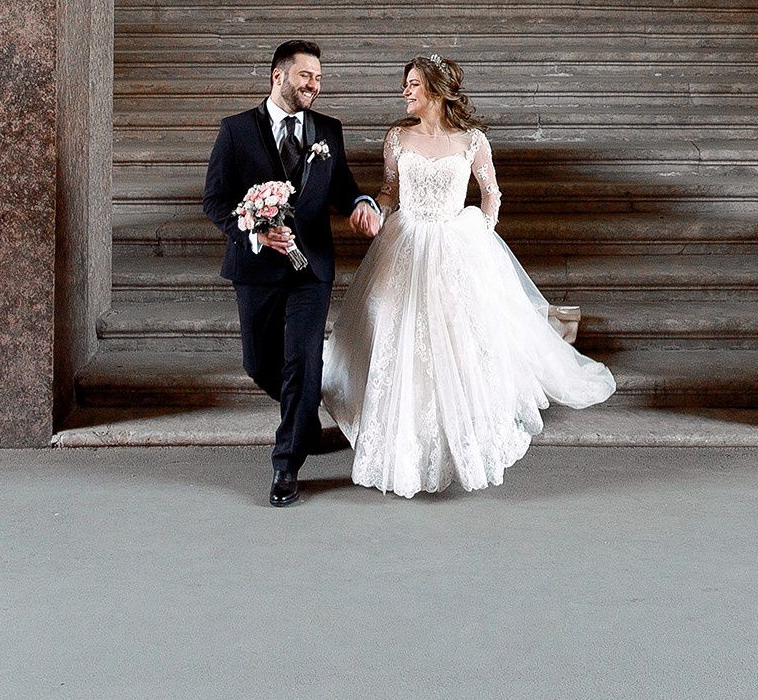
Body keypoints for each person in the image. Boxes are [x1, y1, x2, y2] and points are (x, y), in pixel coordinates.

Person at [322, 54, 615, 497]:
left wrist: (480, 232)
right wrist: (375, 211)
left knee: (458, 340)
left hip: (456, 245)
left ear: (437, 91)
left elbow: (491, 193)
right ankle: (403, 444)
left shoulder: (472, 140)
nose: (406, 91)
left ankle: (462, 434)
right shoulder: (397, 137)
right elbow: (388, 189)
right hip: (406, 244)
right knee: (399, 336)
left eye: (414, 84)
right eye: (406, 84)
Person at [200, 39, 382, 507]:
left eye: (319, 78)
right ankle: (305, 423)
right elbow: (215, 202)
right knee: (259, 364)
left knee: (303, 360)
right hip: (256, 267)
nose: (314, 86)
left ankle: (286, 467)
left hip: (311, 269)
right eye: (306, 76)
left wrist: (361, 204)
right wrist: (253, 236)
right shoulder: (236, 130)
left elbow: (343, 188)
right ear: (278, 75)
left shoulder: (328, 130)